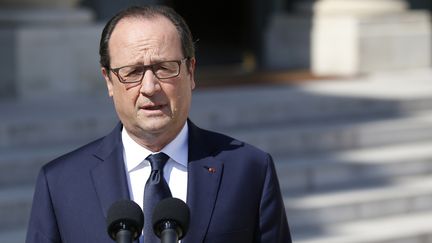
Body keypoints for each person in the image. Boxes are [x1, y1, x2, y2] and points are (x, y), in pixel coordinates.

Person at [26, 5, 291, 243]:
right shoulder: (61, 183)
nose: (150, 87)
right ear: (109, 81)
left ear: (191, 72)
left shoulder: (250, 170)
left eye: (165, 68)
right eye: (132, 72)